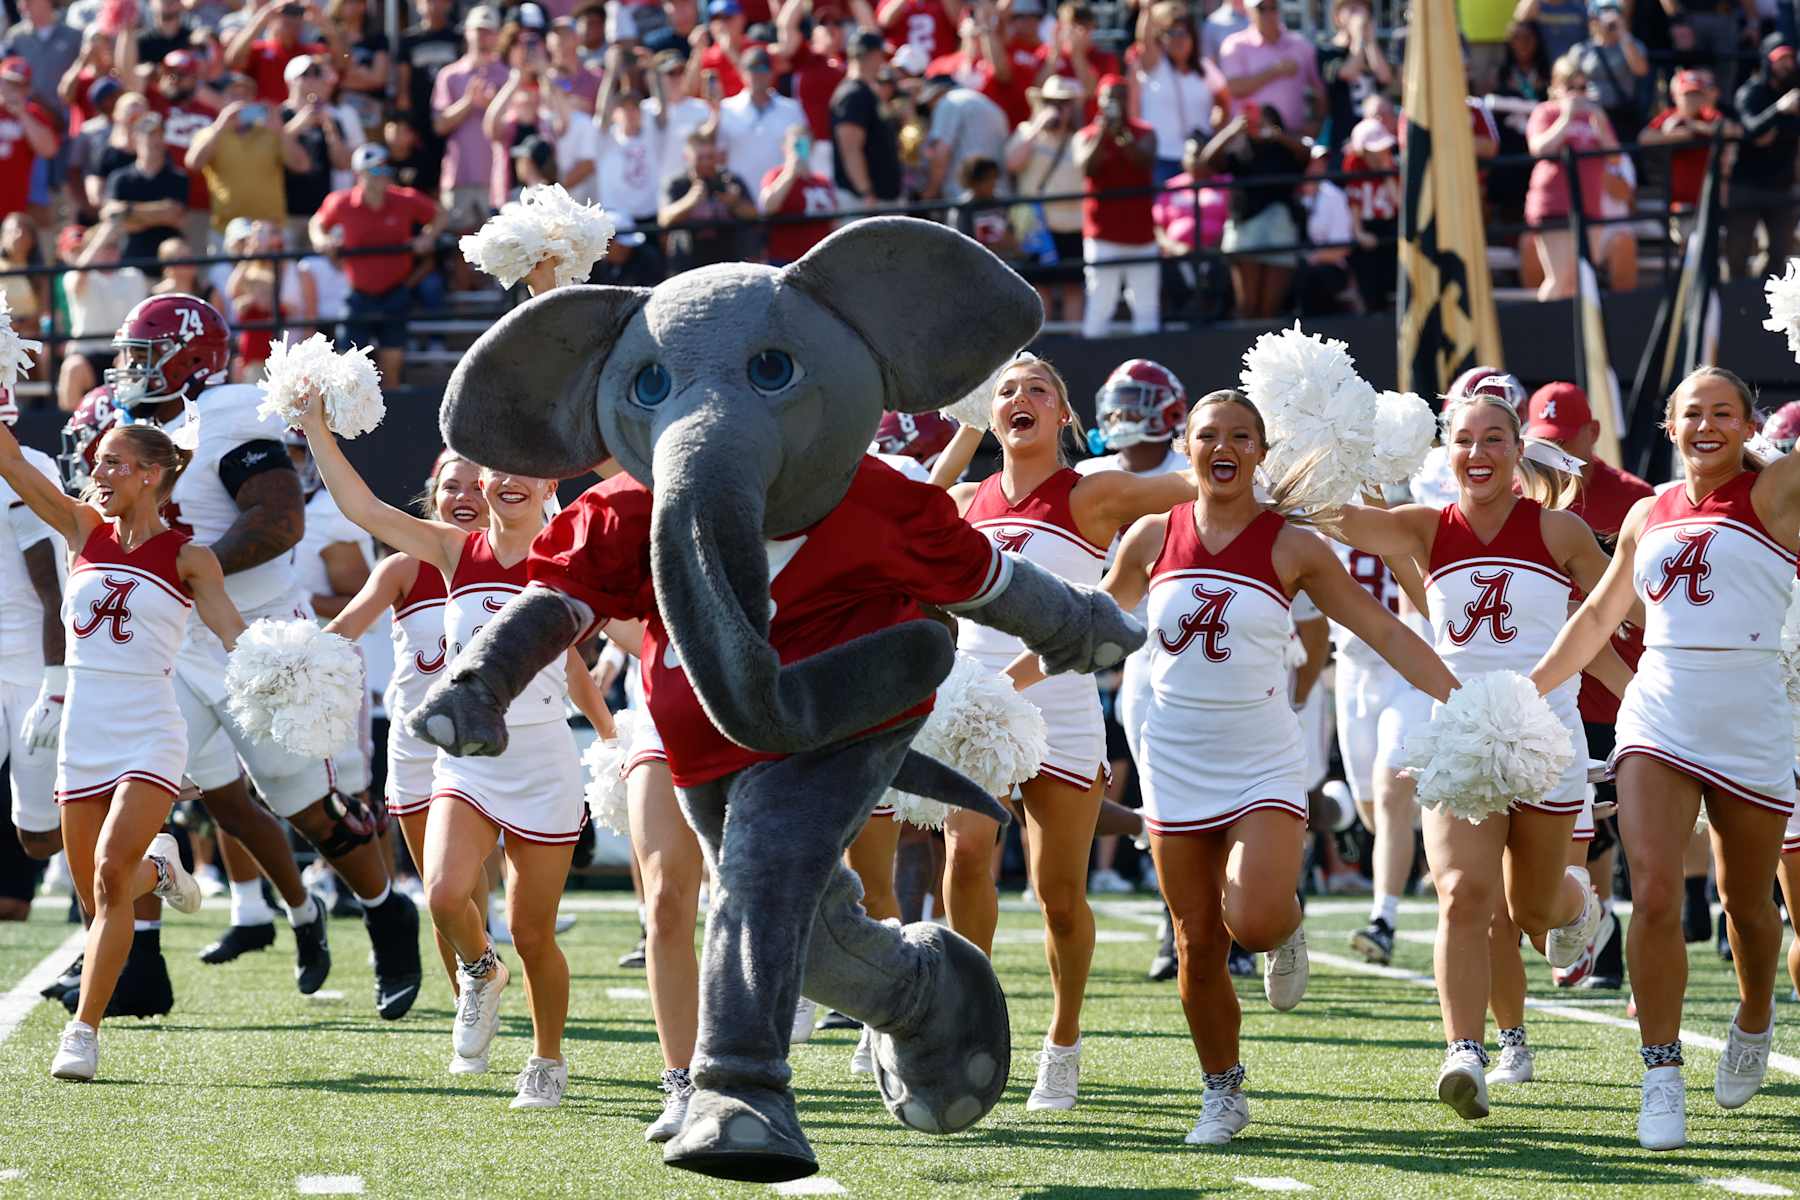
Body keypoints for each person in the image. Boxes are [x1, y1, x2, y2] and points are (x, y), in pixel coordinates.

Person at [1042, 389, 1457, 1145]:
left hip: (1262, 756)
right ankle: (1222, 1090)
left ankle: (1286, 927)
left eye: (1240, 436)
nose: (1222, 447)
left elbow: (1383, 630)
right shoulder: (1148, 535)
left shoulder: (1293, 545)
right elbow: (1091, 625)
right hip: (1171, 757)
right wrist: (989, 690)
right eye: (1208, 435)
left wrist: (1466, 702)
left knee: (1255, 918)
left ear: (1262, 453)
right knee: (1198, 941)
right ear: (1188, 448)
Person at [104, 294, 422, 1019]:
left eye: (142, 355)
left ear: (189, 356)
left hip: (255, 641)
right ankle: (137, 966)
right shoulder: (153, 426)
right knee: (137, 784)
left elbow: (278, 520)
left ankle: (383, 912)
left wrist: (191, 568)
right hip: (175, 643)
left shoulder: (231, 417)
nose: (129, 370)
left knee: (306, 807)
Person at [296, 384, 613, 1106]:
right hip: (463, 757)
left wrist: (617, 727)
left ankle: (547, 1058)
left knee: (534, 931)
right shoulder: (450, 550)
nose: (498, 483)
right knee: (443, 895)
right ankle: (479, 971)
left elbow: (588, 654)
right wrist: (317, 428)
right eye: (490, 472)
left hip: (541, 758)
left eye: (515, 472)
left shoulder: (573, 557)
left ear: (549, 484)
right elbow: (365, 511)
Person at [1328, 385, 1613, 1123]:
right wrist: (1309, 448)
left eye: (1493, 439)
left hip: (1543, 735)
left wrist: (1660, 699)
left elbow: (1615, 623)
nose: (1477, 453)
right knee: (1463, 896)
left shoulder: (1561, 532)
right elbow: (1341, 520)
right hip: (1458, 733)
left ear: (1518, 453)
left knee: (1533, 912)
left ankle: (1584, 905)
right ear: (1444, 453)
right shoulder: (1424, 526)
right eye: (1464, 440)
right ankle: (1465, 1050)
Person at [1530, 366, 1797, 1151]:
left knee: (1747, 905)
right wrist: (1523, 690)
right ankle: (1661, 1074)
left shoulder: (1778, 494)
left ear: (1751, 425)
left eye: (1724, 413)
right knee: (1650, 892)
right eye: (1692, 414)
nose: (1707, 426)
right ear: (1670, 426)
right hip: (1661, 714)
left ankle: (1754, 1013)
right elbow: (1599, 615)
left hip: (1751, 719)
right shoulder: (1649, 511)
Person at [936, 353, 1197, 1111]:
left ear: (1063, 416)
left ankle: (1063, 1040)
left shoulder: (1094, 492)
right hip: (975, 701)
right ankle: (967, 1025)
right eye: (1006, 389)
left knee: (1057, 893)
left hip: (1061, 701)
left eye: (1037, 390)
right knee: (967, 855)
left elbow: (1195, 480)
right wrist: (960, 426)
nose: (1020, 397)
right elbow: (902, 508)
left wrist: (1259, 445)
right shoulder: (961, 499)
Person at [20, 419, 236, 1082]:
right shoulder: (81, 527)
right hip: (85, 727)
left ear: (152, 474)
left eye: (115, 463)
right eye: (97, 463)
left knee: (112, 875)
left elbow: (240, 645)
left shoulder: (188, 557)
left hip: (151, 727)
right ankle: (162, 869)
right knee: (98, 893)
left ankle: (83, 1031)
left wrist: (291, 679)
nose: (100, 473)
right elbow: (11, 465)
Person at [323, 452, 487, 994]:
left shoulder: (522, 562)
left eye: (476, 487)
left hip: (490, 750)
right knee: (444, 892)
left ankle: (508, 1006)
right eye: (451, 487)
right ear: (432, 495)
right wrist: (285, 664)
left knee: (472, 887)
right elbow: (342, 631)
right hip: (417, 750)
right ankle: (470, 999)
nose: (463, 499)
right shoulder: (402, 567)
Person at [1521, 382, 1650, 993]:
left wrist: (1643, 686)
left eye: (1565, 441)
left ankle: (1622, 949)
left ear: (1591, 434)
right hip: (1552, 692)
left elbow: (1644, 604)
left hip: (1609, 683)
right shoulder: (1513, 499)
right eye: (1543, 443)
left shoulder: (1635, 499)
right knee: (1583, 833)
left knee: (1618, 829)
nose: (1555, 454)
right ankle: (1593, 935)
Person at [310, 143, 445, 384]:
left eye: (385, 169)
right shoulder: (341, 202)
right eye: (374, 170)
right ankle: (353, 421)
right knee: (349, 372)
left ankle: (389, 419)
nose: (381, 175)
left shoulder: (404, 199)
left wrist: (428, 236)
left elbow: (439, 214)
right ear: (358, 174)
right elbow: (317, 223)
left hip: (395, 293)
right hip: (358, 294)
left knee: (390, 368)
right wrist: (323, 240)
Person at [0, 386, 67, 866]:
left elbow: (51, 588)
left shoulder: (25, 471)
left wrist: (57, 685)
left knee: (40, 838)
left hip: (27, 666)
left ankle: (145, 849)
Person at [1200, 101, 1307, 320]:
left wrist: (1278, 136)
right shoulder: (1240, 149)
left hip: (1280, 225)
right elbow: (1207, 160)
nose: (1259, 125)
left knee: (1270, 309)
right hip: (1245, 225)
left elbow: (1306, 154)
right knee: (1247, 307)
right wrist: (1232, 130)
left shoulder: (1285, 149)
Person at [1524, 54, 1614, 301]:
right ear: (1555, 88)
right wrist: (1566, 118)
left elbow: (1615, 158)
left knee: (1581, 279)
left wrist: (1602, 124)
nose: (1577, 93)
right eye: (1570, 87)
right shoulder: (1545, 112)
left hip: (1590, 205)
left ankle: (1577, 339)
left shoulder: (1596, 116)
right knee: (1559, 277)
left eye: (1582, 87)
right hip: (1555, 205)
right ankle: (1543, 338)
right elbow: (1540, 148)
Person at [1075, 74, 1156, 338]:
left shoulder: (1145, 132)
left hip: (1141, 236)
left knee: (1146, 308)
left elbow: (1144, 162)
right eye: (1110, 97)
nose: (1115, 103)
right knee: (1100, 306)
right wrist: (1102, 133)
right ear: (1099, 101)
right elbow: (1086, 167)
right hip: (1103, 236)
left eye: (1121, 97)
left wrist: (1123, 134)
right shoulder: (1086, 135)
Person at [186, 73, 305, 246]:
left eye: (245, 95)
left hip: (272, 230)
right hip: (225, 232)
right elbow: (193, 164)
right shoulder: (209, 133)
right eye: (233, 95)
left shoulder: (271, 132)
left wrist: (281, 131)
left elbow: (301, 165)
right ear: (222, 100)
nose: (240, 101)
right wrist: (220, 127)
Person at [1006, 74, 1085, 325]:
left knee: (1074, 286)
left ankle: (1075, 341)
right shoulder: (1026, 132)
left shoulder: (1080, 140)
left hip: (1072, 224)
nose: (1057, 109)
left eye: (1063, 103)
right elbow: (1012, 163)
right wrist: (1037, 126)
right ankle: (1041, 351)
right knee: (1041, 289)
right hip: (1037, 226)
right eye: (1051, 102)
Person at [1726, 37, 1800, 281]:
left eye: (1790, 59)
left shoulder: (1796, 93)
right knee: (1737, 254)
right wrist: (1778, 110)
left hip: (1782, 186)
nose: (1787, 65)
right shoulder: (1751, 91)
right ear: (1768, 61)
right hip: (1747, 186)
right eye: (1781, 60)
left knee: (1780, 252)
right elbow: (1751, 129)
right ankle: (1736, 303)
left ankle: (1763, 300)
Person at [432, 5, 509, 236]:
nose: (483, 37)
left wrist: (490, 107)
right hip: (459, 176)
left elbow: (513, 125)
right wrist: (468, 102)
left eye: (489, 31)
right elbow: (439, 124)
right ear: (467, 32)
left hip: (496, 177)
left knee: (501, 251)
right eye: (479, 30)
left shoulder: (507, 74)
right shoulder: (450, 74)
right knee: (460, 249)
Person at [58, 220, 148, 413]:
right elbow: (80, 275)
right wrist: (102, 234)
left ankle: (128, 424)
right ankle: (72, 426)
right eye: (104, 246)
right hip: (88, 356)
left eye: (113, 245)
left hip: (122, 354)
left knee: (130, 369)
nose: (110, 250)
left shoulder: (134, 276)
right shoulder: (75, 278)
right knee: (72, 368)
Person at [1130, 0, 1219, 184]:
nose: (1178, 39)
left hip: (1198, 160)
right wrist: (1147, 9)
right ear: (1161, 38)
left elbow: (1224, 100)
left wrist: (1216, 128)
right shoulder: (1155, 66)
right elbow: (1144, 42)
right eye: (1171, 33)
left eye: (1183, 33)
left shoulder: (1205, 69)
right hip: (1161, 160)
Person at [1218, 0, 1322, 140]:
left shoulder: (1302, 46)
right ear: (1249, 11)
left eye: (1273, 7)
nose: (1268, 14)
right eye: (1261, 8)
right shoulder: (1234, 45)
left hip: (1294, 141)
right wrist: (1275, 70)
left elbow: (1320, 92)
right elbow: (1234, 87)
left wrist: (1316, 124)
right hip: (1250, 141)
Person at [717, 44, 804, 208]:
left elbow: (803, 146)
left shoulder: (791, 109)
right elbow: (719, 155)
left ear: (772, 72)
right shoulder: (725, 109)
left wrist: (801, 167)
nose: (757, 75)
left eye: (763, 68)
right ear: (742, 72)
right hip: (740, 203)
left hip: (782, 198)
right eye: (752, 68)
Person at [659, 128, 755, 272]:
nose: (705, 163)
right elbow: (664, 218)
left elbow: (753, 214)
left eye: (709, 157)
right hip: (687, 266)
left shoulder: (730, 180)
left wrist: (734, 202)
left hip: (728, 264)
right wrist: (690, 201)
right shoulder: (677, 183)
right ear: (687, 157)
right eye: (700, 157)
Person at [279, 55, 352, 244]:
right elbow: (271, 151)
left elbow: (343, 164)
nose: (313, 79)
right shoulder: (280, 115)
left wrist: (330, 130)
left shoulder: (331, 118)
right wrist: (300, 123)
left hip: (321, 212)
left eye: (317, 73)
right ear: (291, 80)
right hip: (286, 213)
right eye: (306, 74)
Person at [102, 111, 189, 265]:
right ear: (135, 139)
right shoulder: (120, 178)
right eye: (147, 134)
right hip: (130, 265)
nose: (152, 140)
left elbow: (173, 215)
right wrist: (159, 214)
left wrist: (128, 211)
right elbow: (111, 215)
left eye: (157, 134)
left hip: (168, 269)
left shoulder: (178, 177)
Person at [830, 29, 900, 208]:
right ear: (873, 55)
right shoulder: (853, 94)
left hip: (878, 197)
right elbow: (851, 149)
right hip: (864, 202)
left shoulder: (867, 91)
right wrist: (866, 192)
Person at [225, 0, 342, 104]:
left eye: (297, 13)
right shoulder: (260, 50)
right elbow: (232, 61)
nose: (291, 19)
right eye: (286, 12)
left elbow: (342, 63)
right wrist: (263, 18)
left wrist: (323, 22)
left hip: (304, 116)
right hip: (269, 119)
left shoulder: (312, 52)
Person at [1640, 69, 1721, 219]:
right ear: (1675, 96)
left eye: (1697, 94)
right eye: (1687, 95)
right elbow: (1644, 137)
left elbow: (1728, 129)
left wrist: (1693, 126)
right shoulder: (1670, 117)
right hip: (1678, 199)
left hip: (1706, 195)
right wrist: (1675, 134)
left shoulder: (1708, 115)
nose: (1692, 100)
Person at [918, 71, 1008, 202]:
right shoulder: (984, 102)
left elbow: (941, 154)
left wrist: (929, 194)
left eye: (929, 103)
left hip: (966, 199)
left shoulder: (948, 102)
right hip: (999, 197)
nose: (930, 108)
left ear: (936, 93)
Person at [1315, 0, 1390, 157]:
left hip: (1376, 141)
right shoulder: (1327, 50)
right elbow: (1349, 72)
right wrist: (1358, 38)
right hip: (1343, 140)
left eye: (1362, 9)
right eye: (1351, 8)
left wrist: (1370, 42)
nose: (1358, 15)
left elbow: (1384, 77)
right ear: (1337, 16)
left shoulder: (1372, 49)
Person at [1340, 115, 1397, 311]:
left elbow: (1399, 202)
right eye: (1374, 151)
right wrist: (1359, 232)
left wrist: (1386, 173)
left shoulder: (1391, 166)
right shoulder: (1354, 168)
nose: (1380, 154)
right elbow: (1354, 203)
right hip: (1366, 229)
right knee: (1369, 282)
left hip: (1390, 228)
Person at [759, 122, 836, 265]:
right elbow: (768, 206)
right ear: (784, 147)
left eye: (804, 145)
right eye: (795, 145)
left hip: (819, 259)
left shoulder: (822, 181)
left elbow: (833, 222)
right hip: (785, 260)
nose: (800, 150)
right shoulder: (774, 175)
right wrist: (790, 173)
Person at [1574, 0, 1649, 141]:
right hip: (1592, 115)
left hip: (1622, 114)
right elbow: (1572, 81)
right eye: (1603, 12)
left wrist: (1623, 34)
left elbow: (1641, 70)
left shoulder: (1632, 45)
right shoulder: (1582, 50)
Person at [0, 57, 62, 221]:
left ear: (27, 89)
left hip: (13, 210)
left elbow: (48, 150)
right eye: (8, 82)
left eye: (20, 85)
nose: (13, 89)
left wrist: (22, 114)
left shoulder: (33, 113)